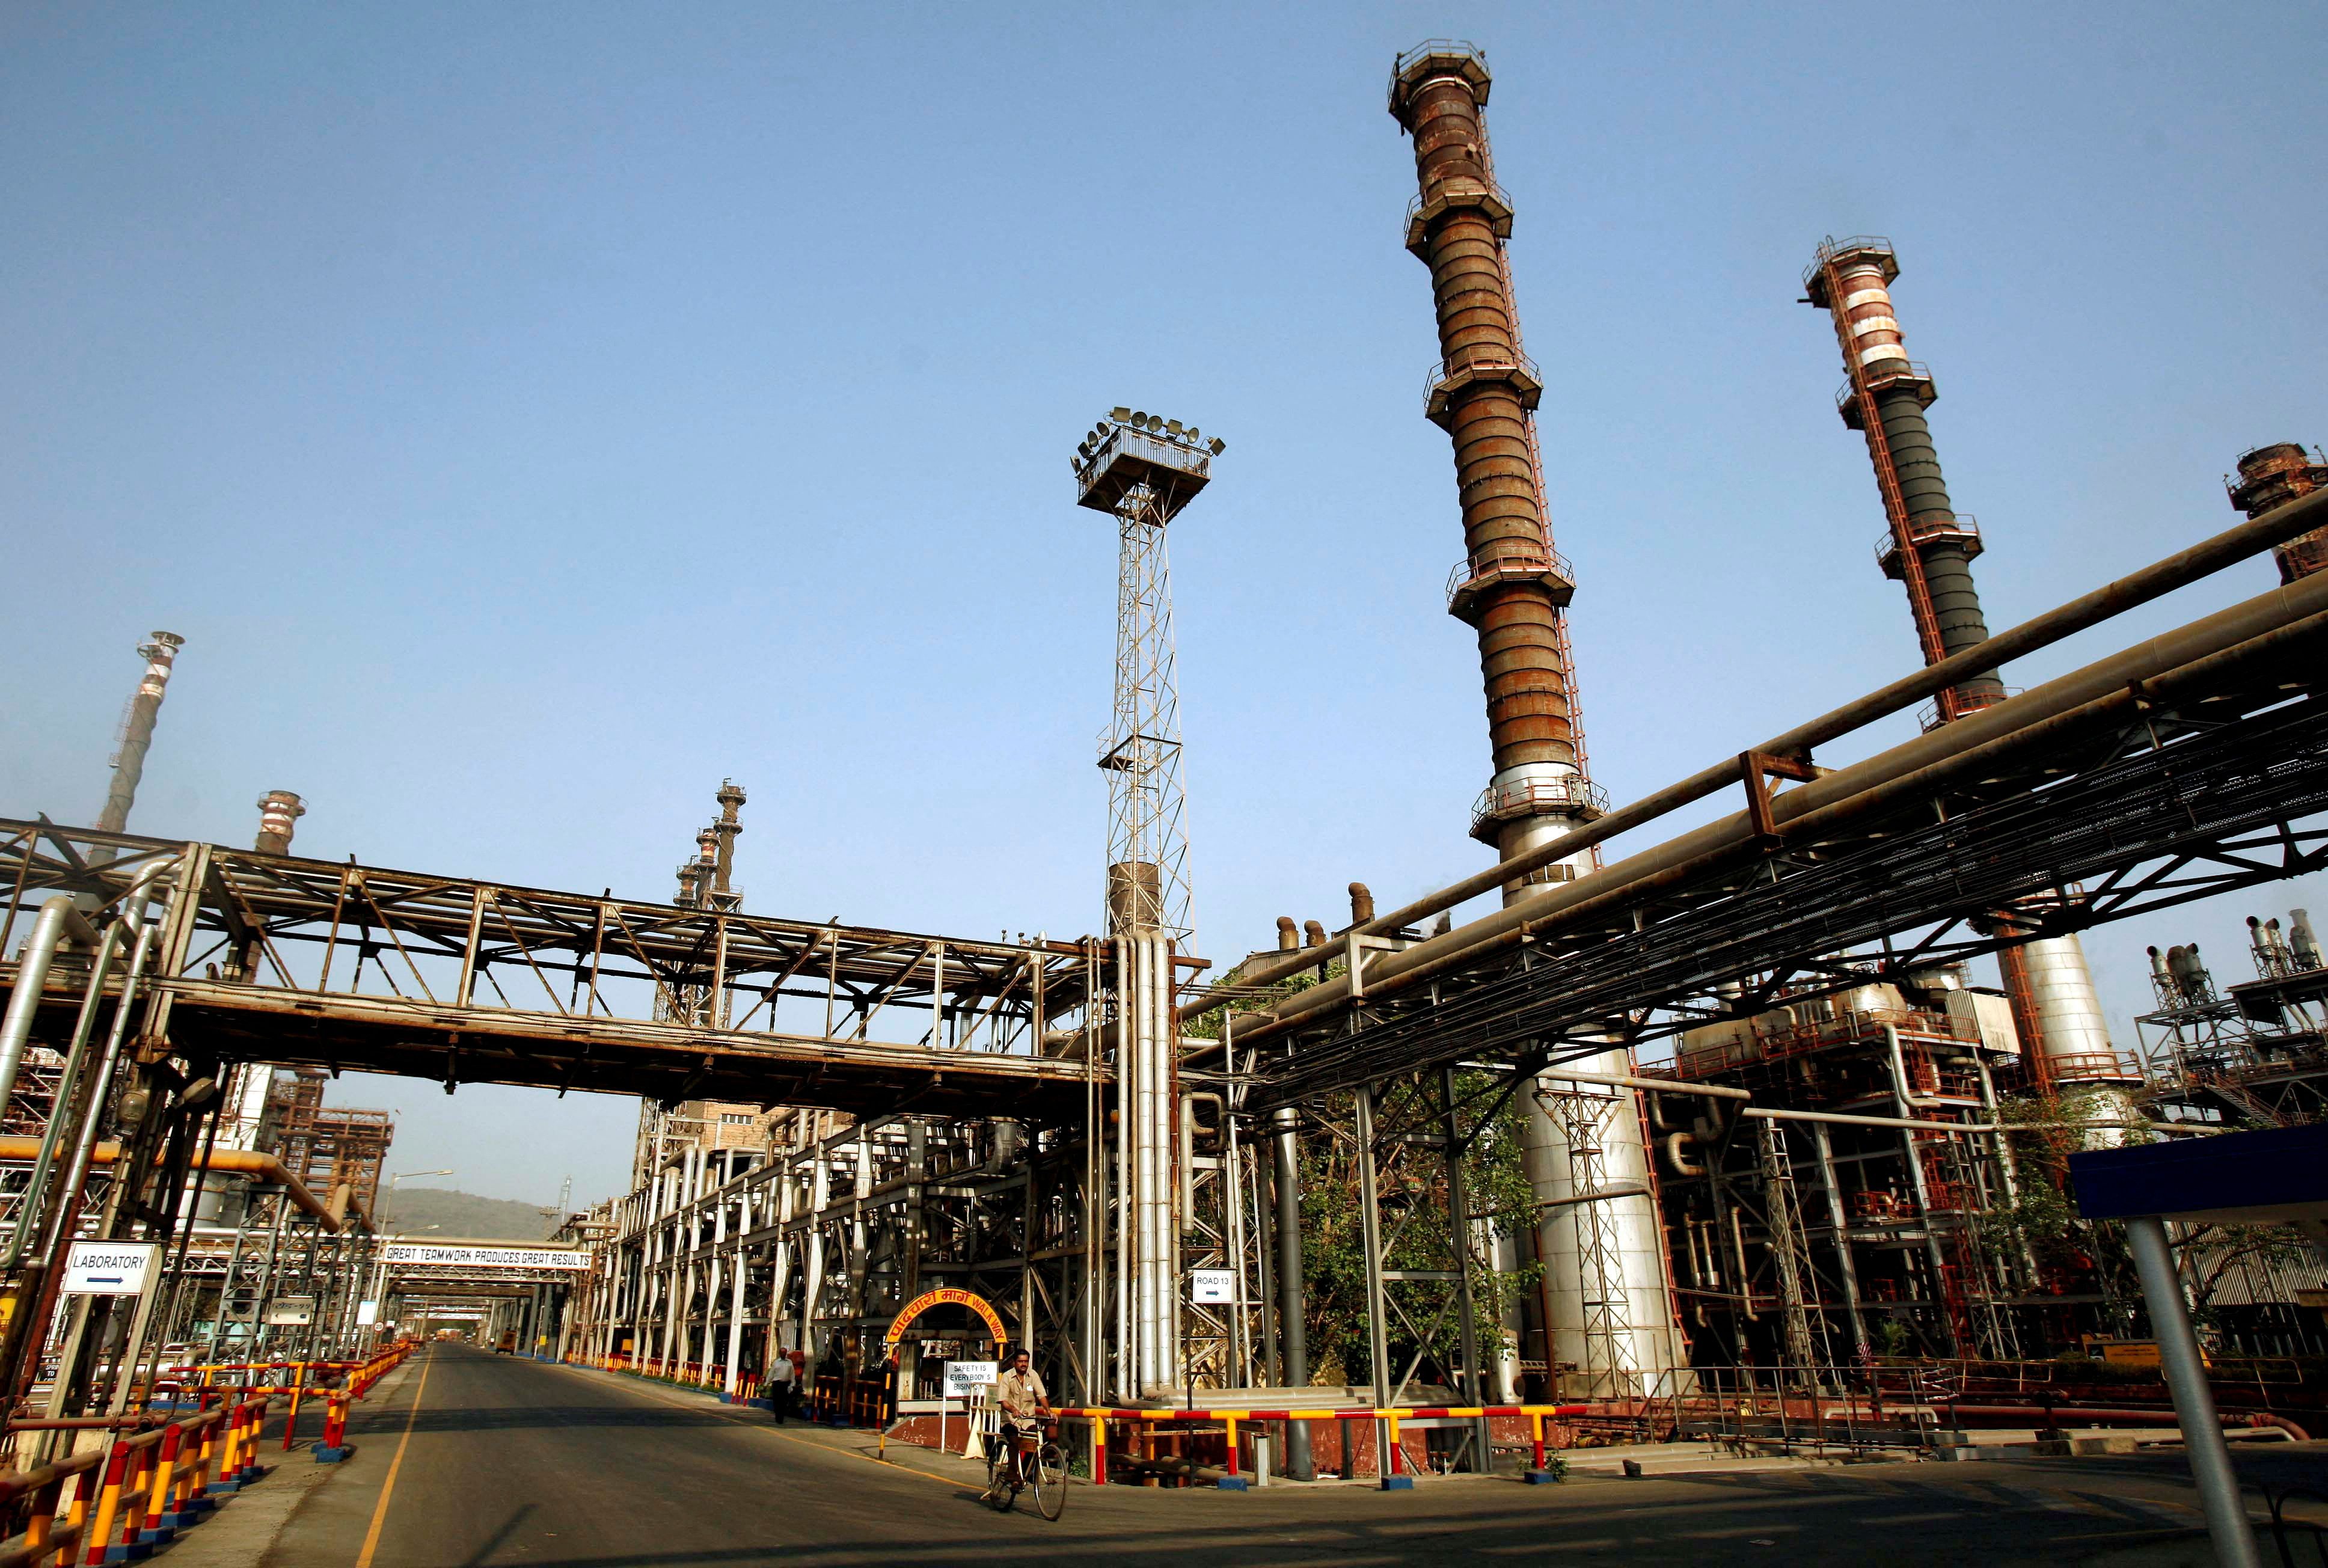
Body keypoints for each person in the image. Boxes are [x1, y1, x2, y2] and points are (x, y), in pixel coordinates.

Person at [993, 1347, 1051, 1485]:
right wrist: (1013, 1409)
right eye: (1020, 1361)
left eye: (1026, 1361)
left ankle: (1025, 1472)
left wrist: (1049, 1411)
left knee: (1035, 1442)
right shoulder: (1008, 1376)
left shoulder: (1033, 1375)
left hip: (1028, 1419)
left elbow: (1041, 1395)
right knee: (1014, 1442)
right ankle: (1012, 1476)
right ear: (1014, 1362)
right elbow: (1003, 1400)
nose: (1023, 1364)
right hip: (1010, 1420)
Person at [767, 1345, 794, 1424]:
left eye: (785, 1353)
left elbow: (792, 1374)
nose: (783, 1354)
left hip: (785, 1384)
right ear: (779, 1354)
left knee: (784, 1401)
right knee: (777, 1401)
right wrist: (767, 1382)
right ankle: (778, 1416)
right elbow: (771, 1373)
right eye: (782, 1353)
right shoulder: (776, 1363)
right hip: (777, 1384)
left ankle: (781, 1417)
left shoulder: (790, 1363)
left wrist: (793, 1383)